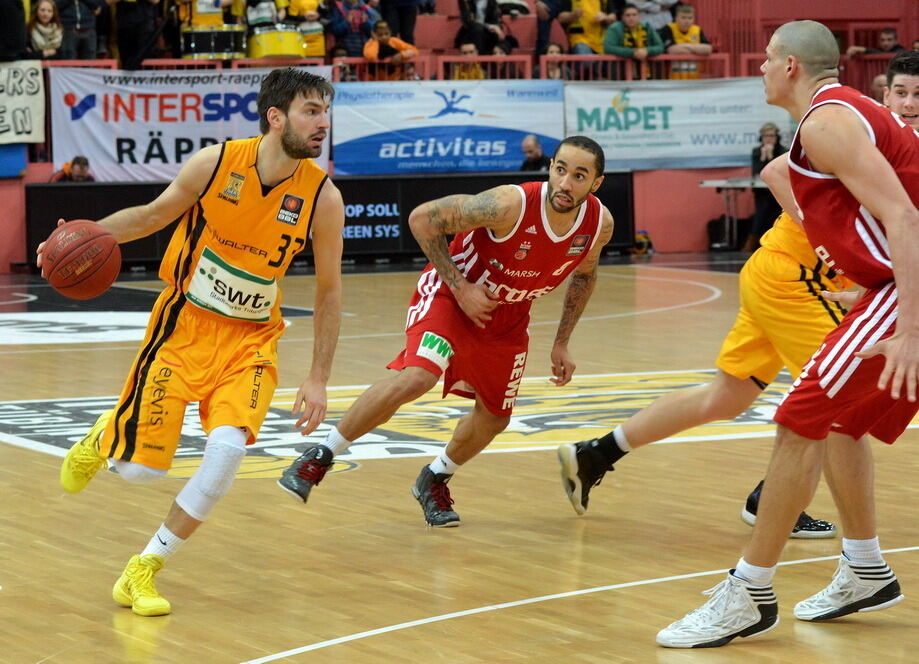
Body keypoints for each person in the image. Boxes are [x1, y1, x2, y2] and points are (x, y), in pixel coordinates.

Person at [40, 68, 344, 617]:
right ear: (276, 117)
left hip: (252, 341)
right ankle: (106, 435)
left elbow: (328, 294)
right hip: (183, 328)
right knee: (141, 471)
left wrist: (319, 375)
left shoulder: (323, 198)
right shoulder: (215, 163)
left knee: (227, 452)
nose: (322, 122)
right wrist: (83, 237)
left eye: (326, 110)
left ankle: (144, 568)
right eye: (310, 110)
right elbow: (150, 217)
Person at [656, 22, 919, 648]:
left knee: (797, 421)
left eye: (769, 59)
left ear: (793, 66)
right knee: (838, 424)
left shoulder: (828, 123)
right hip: (886, 292)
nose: (762, 69)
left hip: (903, 302)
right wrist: (873, 283)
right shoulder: (840, 118)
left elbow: (905, 214)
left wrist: (909, 325)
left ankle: (750, 591)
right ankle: (864, 567)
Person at [278, 135, 614, 528]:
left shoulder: (598, 225)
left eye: (579, 175)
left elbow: (585, 276)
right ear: (550, 167)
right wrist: (460, 287)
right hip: (452, 296)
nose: (565, 184)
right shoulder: (508, 204)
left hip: (507, 316)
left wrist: (562, 342)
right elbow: (422, 219)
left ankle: (434, 477)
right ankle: (320, 455)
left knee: (495, 417)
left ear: (596, 183)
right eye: (560, 170)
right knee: (418, 376)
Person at [742, 121, 787, 251]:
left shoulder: (783, 151)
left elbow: (780, 172)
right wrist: (764, 157)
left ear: (777, 137)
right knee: (763, 207)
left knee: (770, 207)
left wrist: (772, 156)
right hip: (762, 192)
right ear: (761, 138)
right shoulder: (757, 151)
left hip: (778, 191)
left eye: (772, 136)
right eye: (766, 136)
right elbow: (757, 173)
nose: (769, 139)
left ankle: (777, 242)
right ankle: (751, 243)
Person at [603, 3, 663, 79]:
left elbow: (660, 46)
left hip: (645, 70)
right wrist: (632, 52)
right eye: (628, 15)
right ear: (622, 17)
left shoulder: (647, 27)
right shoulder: (614, 28)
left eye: (634, 15)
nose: (631, 18)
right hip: (620, 72)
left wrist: (647, 51)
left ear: (639, 16)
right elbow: (608, 48)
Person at [658, 4, 712, 79]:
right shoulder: (668, 29)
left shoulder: (697, 29)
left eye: (690, 18)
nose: (687, 21)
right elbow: (672, 50)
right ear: (676, 18)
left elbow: (708, 49)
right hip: (672, 78)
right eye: (683, 18)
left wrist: (684, 46)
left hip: (695, 78)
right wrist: (697, 50)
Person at [110, 0, 160, 69]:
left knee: (146, 60)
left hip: (145, 26)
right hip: (124, 26)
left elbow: (155, 1)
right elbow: (107, 2)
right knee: (127, 62)